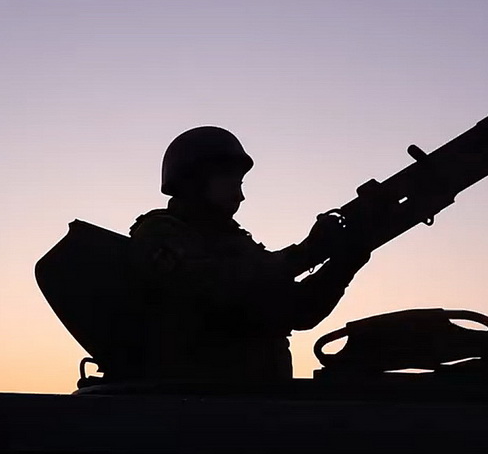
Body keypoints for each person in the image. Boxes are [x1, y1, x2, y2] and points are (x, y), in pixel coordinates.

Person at [127, 126, 369, 385]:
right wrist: (308, 252)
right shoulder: (158, 233)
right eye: (230, 182)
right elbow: (217, 284)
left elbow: (298, 310)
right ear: (194, 179)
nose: (240, 195)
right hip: (190, 397)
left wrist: (344, 263)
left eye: (240, 184)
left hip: (254, 396)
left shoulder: (237, 243)